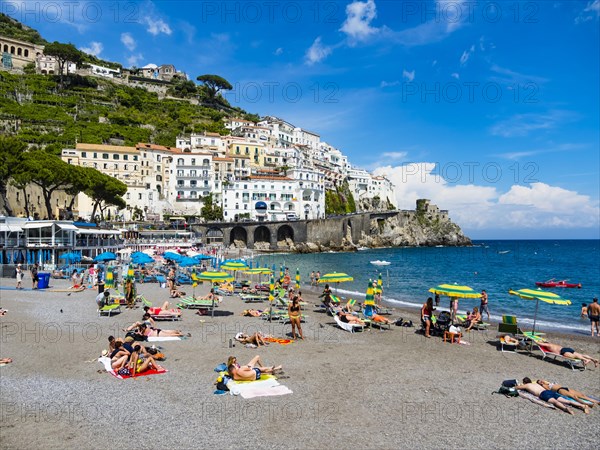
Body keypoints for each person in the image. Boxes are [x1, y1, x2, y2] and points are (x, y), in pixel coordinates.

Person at [515, 378, 589, 415]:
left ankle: (566, 409)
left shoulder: (526, 385)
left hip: (543, 394)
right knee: (567, 401)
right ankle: (583, 406)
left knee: (555, 402)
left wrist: (519, 385)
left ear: (524, 382)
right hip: (549, 391)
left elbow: (517, 388)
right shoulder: (536, 384)